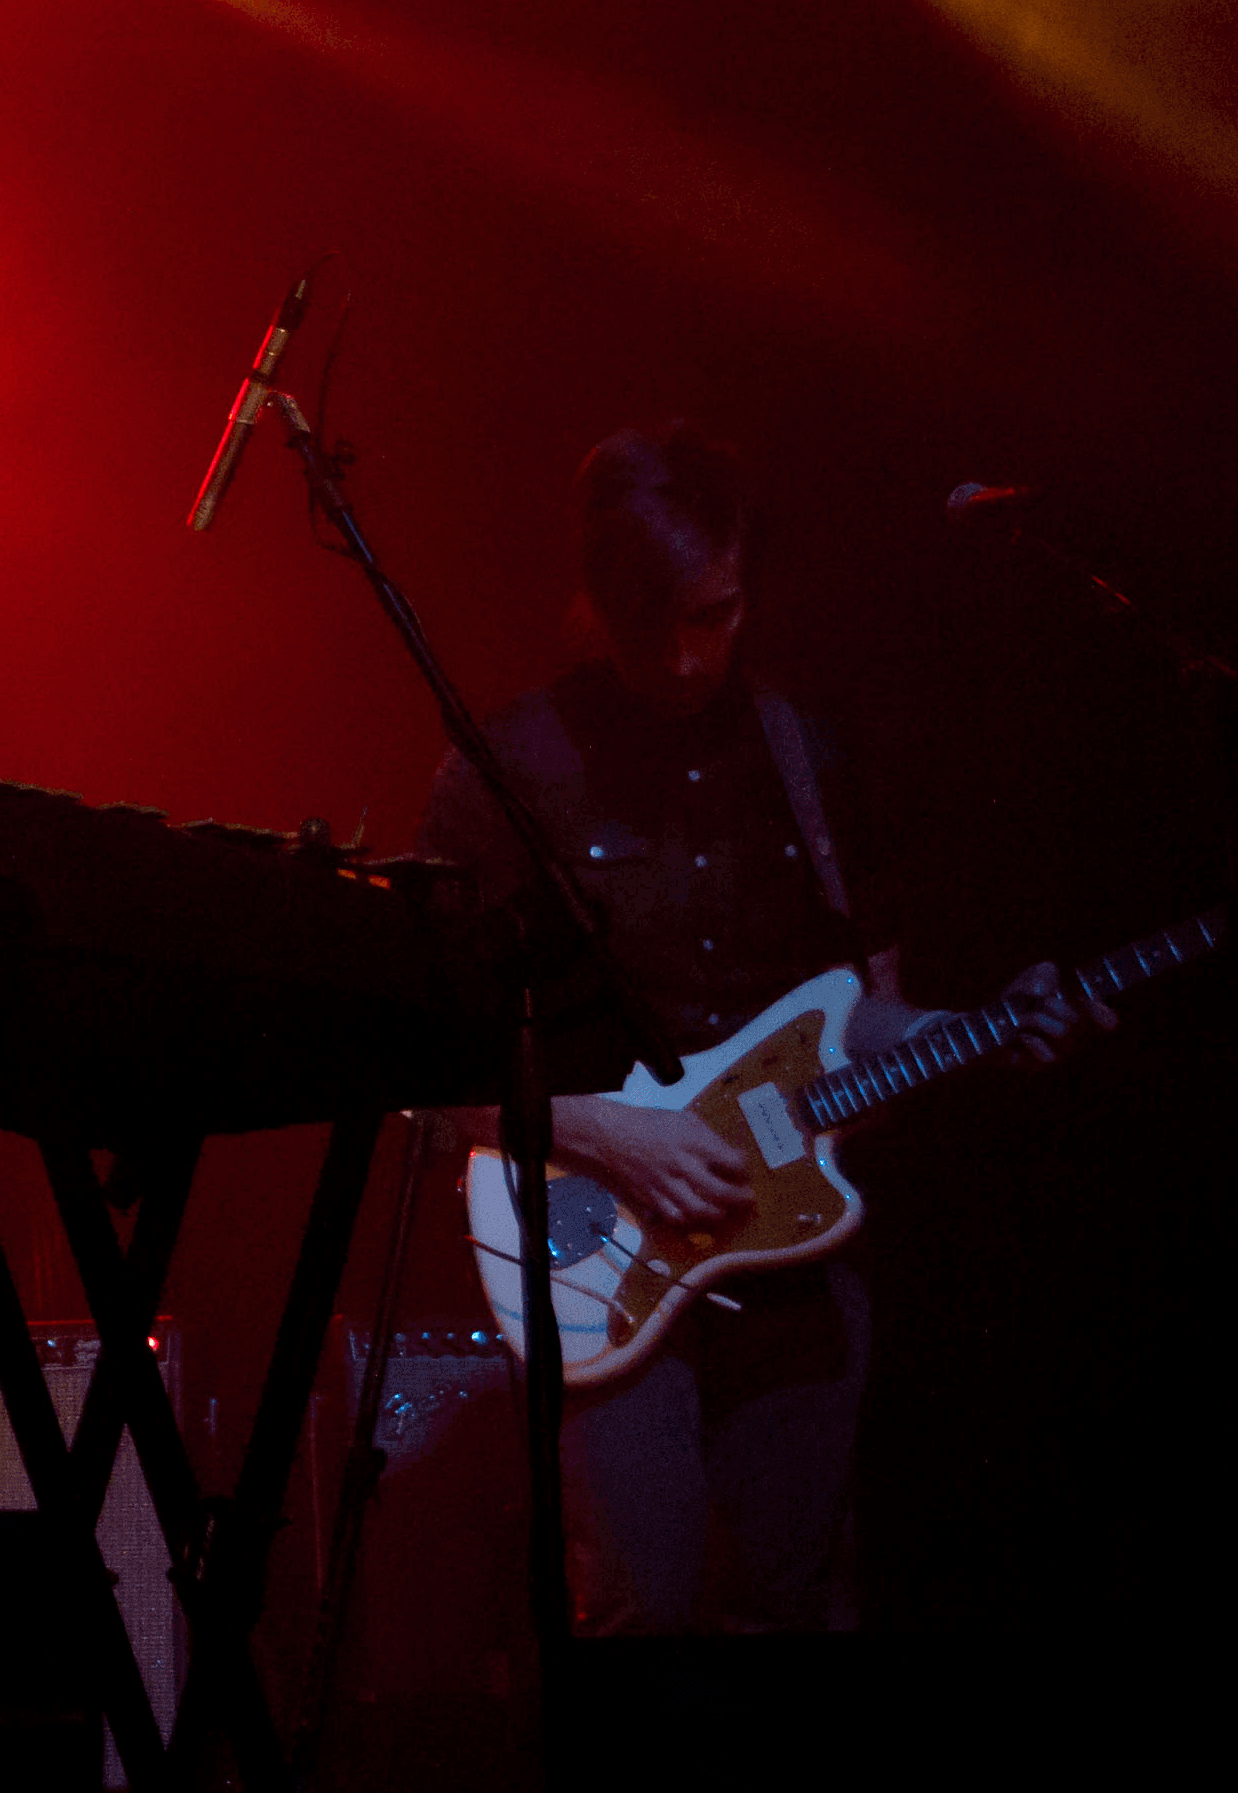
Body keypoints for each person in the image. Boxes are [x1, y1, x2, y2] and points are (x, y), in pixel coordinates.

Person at [423, 427, 1106, 1631]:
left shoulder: (805, 751)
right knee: (641, 1606)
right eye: (650, 626)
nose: (685, 660)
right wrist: (605, 1134)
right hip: (603, 1255)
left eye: (711, 614)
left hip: (801, 1254)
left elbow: (862, 1015)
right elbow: (422, 1074)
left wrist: (977, 1030)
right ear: (592, 597)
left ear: (744, 574)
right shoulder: (504, 769)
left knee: (801, 1603)